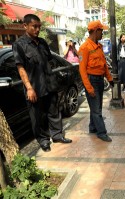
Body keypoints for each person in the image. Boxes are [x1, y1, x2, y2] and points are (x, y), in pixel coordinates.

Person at [12, 14, 72, 152]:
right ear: (25, 26)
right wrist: (29, 88)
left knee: (54, 111)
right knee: (38, 117)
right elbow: (20, 68)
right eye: (34, 26)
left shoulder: (43, 42)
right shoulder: (19, 45)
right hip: (34, 87)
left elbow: (49, 61)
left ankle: (57, 135)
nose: (37, 29)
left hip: (50, 83)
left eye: (39, 26)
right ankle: (44, 140)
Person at [78, 20, 113, 142]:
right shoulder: (84, 48)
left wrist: (109, 79)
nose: (102, 33)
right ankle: (101, 132)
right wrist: (89, 88)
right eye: (101, 31)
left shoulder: (99, 47)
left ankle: (92, 127)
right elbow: (82, 70)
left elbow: (104, 65)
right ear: (95, 31)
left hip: (99, 80)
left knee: (97, 107)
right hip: (91, 80)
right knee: (97, 109)